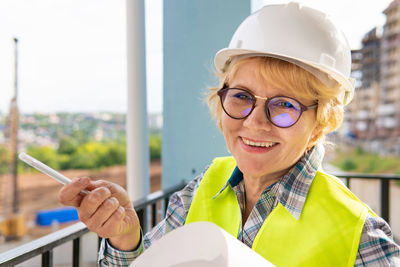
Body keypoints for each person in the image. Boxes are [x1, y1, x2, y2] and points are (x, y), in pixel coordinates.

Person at [58, 2, 400, 266]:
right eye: (241, 97)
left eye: (284, 105)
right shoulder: (202, 190)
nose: (254, 123)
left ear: (321, 123)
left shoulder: (362, 236)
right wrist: (126, 238)